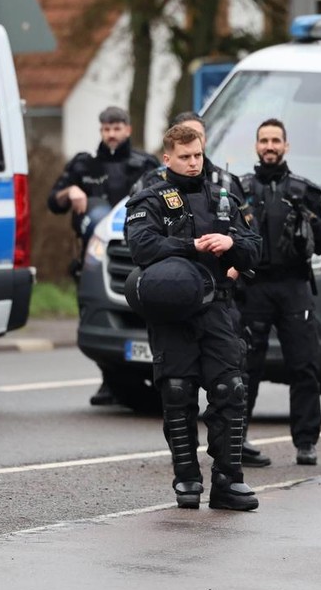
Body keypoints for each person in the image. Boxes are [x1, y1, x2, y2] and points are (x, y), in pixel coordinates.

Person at [125, 122, 263, 510]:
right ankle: (186, 478)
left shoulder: (224, 198)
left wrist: (232, 242)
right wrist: (194, 246)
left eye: (197, 155)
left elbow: (255, 249)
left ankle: (227, 481)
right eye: (184, 157)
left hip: (218, 308)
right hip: (172, 312)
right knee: (177, 392)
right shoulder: (148, 201)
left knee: (230, 389)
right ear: (167, 158)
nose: (192, 163)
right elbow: (142, 247)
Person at [237, 118, 321, 466]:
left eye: (275, 140)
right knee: (244, 365)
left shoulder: (305, 190)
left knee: (304, 366)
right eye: (263, 140)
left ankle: (306, 443)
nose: (269, 146)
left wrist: (310, 220)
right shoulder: (240, 188)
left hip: (295, 285)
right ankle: (236, 438)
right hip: (253, 286)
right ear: (256, 146)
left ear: (286, 146)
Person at [50, 105, 158, 406]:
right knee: (99, 319)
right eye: (106, 129)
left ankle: (135, 380)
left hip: (137, 254)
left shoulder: (145, 164)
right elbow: (53, 201)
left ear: (128, 130)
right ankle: (109, 380)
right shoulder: (84, 166)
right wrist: (70, 191)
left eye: (117, 128)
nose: (111, 134)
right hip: (94, 258)